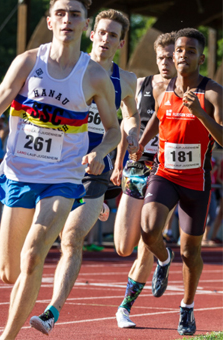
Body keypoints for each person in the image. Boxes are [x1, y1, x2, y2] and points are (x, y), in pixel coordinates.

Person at [0, 0, 122, 339]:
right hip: (19, 174)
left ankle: (7, 336)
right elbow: (1, 98)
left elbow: (114, 130)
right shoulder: (27, 62)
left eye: (76, 14)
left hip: (63, 177)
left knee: (35, 253)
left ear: (86, 25)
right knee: (9, 271)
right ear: (50, 20)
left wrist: (100, 151)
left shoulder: (95, 75)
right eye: (61, 14)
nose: (68, 20)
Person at [29, 8, 140, 336]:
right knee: (45, 238)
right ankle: (96, 208)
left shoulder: (127, 80)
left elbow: (130, 115)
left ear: (121, 43)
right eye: (102, 32)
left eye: (113, 36)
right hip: (57, 165)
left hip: (96, 169)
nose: (106, 40)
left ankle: (52, 312)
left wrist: (131, 129)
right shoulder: (67, 68)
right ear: (92, 34)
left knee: (73, 238)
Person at [137, 28, 223, 336]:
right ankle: (163, 258)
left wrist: (200, 113)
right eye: (179, 50)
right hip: (165, 174)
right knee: (147, 229)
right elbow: (157, 118)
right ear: (172, 56)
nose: (183, 55)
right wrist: (139, 144)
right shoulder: (165, 90)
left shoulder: (212, 93)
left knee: (191, 253)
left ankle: (186, 308)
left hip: (195, 184)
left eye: (190, 51)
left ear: (201, 57)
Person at [111, 32, 176, 328]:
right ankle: (166, 255)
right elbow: (127, 127)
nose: (165, 62)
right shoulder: (140, 85)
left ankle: (124, 308)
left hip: (168, 172)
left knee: (147, 241)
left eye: (171, 57)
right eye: (161, 57)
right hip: (136, 169)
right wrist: (117, 162)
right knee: (123, 246)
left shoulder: (189, 92)